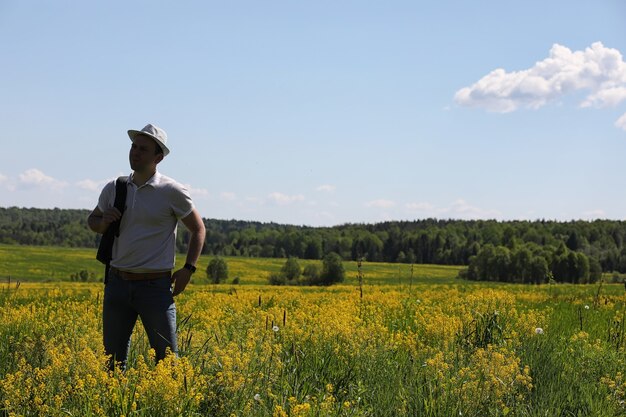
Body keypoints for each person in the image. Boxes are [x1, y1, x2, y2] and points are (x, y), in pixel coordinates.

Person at [88, 123, 206, 370]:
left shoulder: (171, 191)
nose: (135, 152)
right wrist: (104, 222)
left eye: (143, 149)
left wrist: (189, 269)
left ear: (158, 157)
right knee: (111, 366)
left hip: (155, 288)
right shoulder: (115, 187)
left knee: (167, 366)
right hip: (117, 284)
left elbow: (198, 229)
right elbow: (93, 221)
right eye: (133, 146)